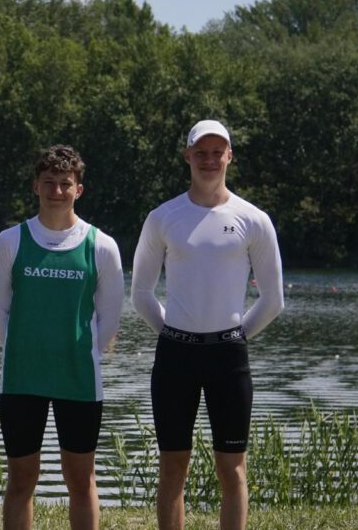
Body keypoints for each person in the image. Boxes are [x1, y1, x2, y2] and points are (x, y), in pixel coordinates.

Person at [131, 119, 284, 530]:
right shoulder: (163, 217)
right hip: (175, 356)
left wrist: (235, 338)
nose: (209, 160)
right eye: (201, 152)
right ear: (187, 156)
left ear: (230, 156)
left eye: (218, 152)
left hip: (228, 359)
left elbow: (273, 300)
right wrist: (172, 332)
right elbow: (141, 293)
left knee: (232, 469)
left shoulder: (253, 219)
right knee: (172, 467)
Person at [0, 145, 125, 530]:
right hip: (22, 377)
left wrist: (76, 352)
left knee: (81, 480)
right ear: (36, 186)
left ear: (79, 189)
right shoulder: (10, 241)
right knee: (21, 480)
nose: (57, 191)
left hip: (78, 379)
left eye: (65, 184)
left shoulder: (101, 245)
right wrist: (28, 349)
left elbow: (109, 320)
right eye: (49, 183)